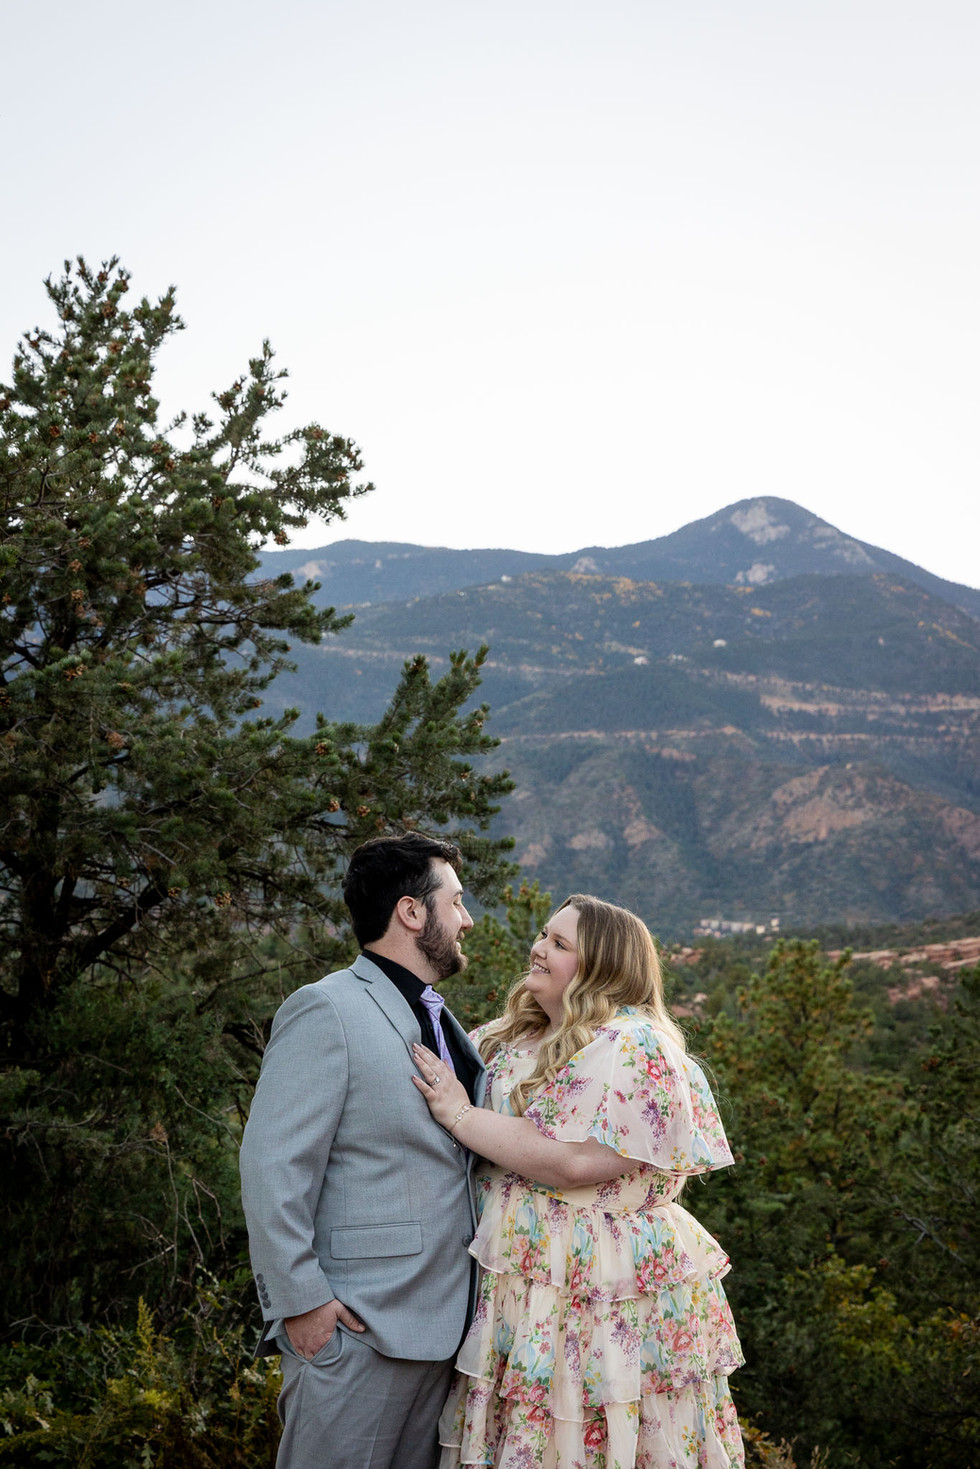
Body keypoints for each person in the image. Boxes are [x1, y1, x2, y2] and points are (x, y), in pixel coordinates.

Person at [412, 893, 744, 1469]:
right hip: (521, 1277)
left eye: (559, 944)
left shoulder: (634, 1044)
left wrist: (459, 1114)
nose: (538, 948)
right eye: (544, 934)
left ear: (601, 968)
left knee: (588, 1430)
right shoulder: (512, 1034)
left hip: (594, 1285)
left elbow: (575, 1164)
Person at [240, 832, 487, 1469]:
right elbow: (272, 1167)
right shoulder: (326, 1009)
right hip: (356, 1330)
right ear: (412, 912)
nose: (466, 920)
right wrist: (303, 1303)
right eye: (456, 902)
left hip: (445, 1333)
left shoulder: (441, 1019)